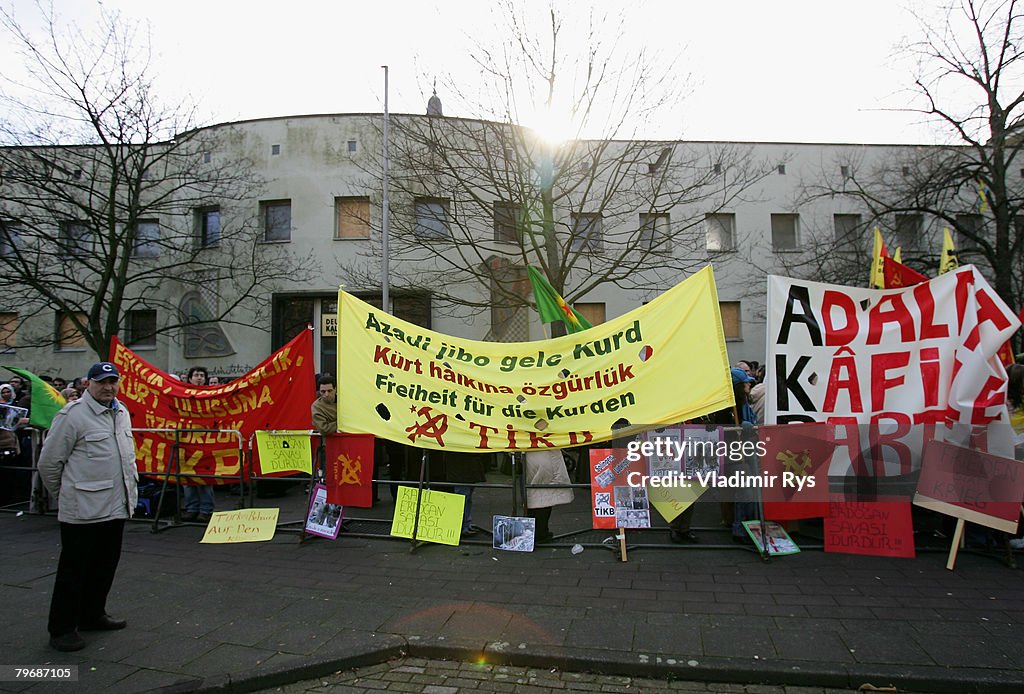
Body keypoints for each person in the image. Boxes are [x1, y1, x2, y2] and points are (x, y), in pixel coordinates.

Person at [38, 361, 138, 652]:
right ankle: (61, 629)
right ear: (88, 384)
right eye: (101, 382)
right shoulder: (73, 416)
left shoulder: (121, 412)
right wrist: (67, 494)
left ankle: (93, 615)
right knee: (73, 571)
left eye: (112, 381)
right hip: (82, 511)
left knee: (104, 567)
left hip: (116, 506)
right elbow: (49, 463)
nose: (108, 387)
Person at [181, 366, 214, 522]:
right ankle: (191, 508)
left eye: (202, 375)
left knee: (205, 478)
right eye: (196, 375)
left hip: (204, 442)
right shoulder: (181, 394)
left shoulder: (212, 395)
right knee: (187, 478)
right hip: (187, 442)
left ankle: (206, 510)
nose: (199, 377)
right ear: (190, 378)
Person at [524, 449, 574, 544]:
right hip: (546, 454)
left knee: (534, 494)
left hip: (530, 454)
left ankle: (534, 530)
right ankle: (540, 533)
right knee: (545, 495)